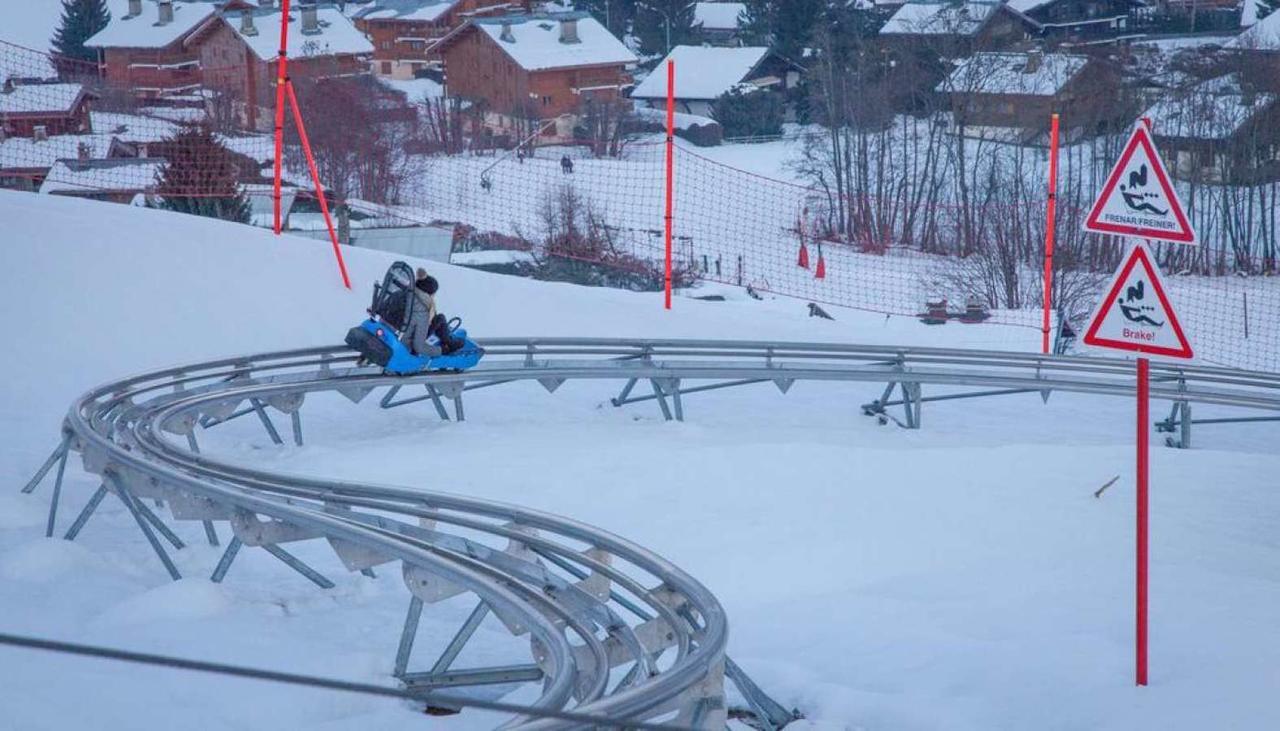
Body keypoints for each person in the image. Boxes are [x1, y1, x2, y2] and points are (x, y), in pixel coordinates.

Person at [404, 268, 463, 356]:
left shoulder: (411, 294)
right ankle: (449, 343)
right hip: (412, 338)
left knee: (437, 320)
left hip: (406, 331)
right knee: (440, 318)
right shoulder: (424, 303)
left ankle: (445, 338)